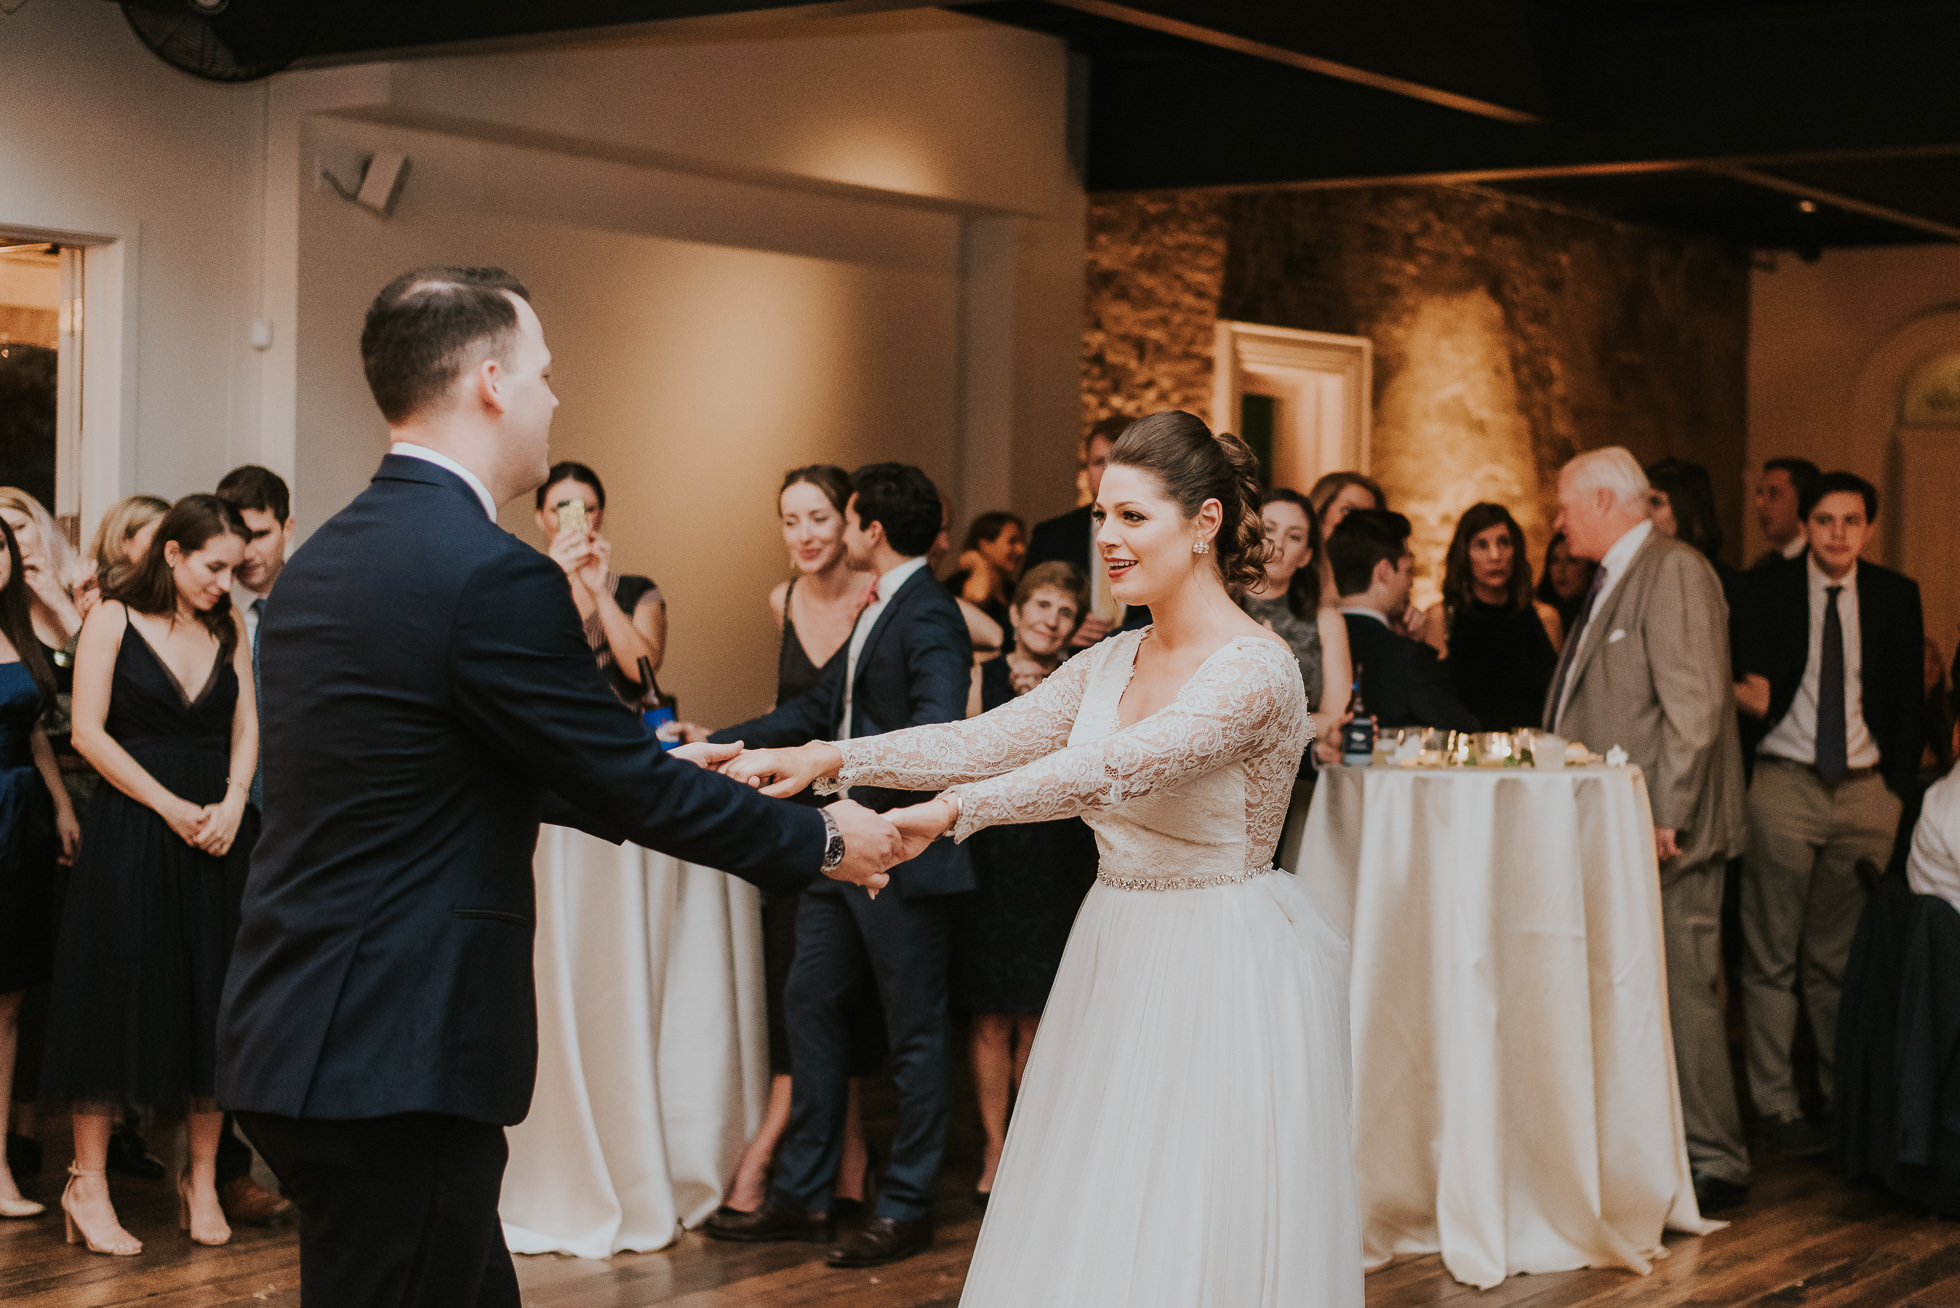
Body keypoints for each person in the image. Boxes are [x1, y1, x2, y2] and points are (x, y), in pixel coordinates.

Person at [215, 267, 902, 1308]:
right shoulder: (491, 573)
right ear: (490, 381)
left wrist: (678, 761)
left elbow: (460, 763)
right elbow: (621, 786)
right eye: (543, 372)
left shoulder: (321, 560)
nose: (552, 395)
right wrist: (821, 842)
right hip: (397, 1048)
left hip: (299, 1023)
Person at [724, 410, 1364, 1307]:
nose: (1106, 538)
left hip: (1220, 956)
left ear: (1206, 523)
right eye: (1102, 514)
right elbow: (983, 738)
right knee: (1102, 1185)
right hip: (1118, 938)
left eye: (1133, 517)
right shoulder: (1112, 658)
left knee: (1193, 1199)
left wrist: (950, 817)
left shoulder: (1256, 671)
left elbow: (1106, 770)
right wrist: (837, 759)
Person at [701, 462, 973, 1269]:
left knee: (914, 1032)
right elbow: (822, 712)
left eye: (846, 519)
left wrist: (857, 785)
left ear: (871, 530)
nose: (840, 534)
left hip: (897, 851)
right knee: (810, 1002)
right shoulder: (879, 606)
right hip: (837, 848)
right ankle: (805, 1192)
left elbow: (934, 736)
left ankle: (906, 1203)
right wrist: (729, 745)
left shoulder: (931, 614)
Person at [38, 495, 260, 1255]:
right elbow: (89, 734)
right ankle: (87, 1185)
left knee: (214, 999)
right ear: (173, 554)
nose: (224, 582)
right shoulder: (112, 620)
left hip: (217, 835)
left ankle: (200, 1180)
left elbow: (247, 727)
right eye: (213, 566)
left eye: (233, 568)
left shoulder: (228, 628)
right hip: (135, 826)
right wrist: (171, 805)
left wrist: (233, 802)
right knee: (112, 995)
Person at [1543, 446, 1750, 1214]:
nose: (1558, 524)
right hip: (1626, 826)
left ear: (1603, 501)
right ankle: (1665, 1147)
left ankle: (1716, 1158)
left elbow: (1696, 706)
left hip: (1668, 829)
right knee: (1647, 990)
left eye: (1566, 507)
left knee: (1686, 991)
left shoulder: (1676, 570)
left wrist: (1671, 812)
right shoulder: (1617, 575)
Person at [1731, 470, 1923, 1159]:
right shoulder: (1766, 590)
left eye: (1850, 520)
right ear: (1804, 527)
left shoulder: (1897, 597)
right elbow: (1745, 680)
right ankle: (1777, 1109)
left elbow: (1907, 698)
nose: (1837, 533)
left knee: (1838, 961)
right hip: (1784, 783)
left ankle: (1846, 1104)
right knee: (1770, 956)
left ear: (1868, 527)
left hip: (1868, 790)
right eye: (1823, 520)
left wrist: (1897, 786)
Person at [711, 465, 881, 1226]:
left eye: (818, 518)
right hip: (792, 813)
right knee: (803, 994)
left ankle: (849, 1164)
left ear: (849, 522)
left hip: (864, 809)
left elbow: (973, 626)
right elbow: (793, 709)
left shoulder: (880, 597)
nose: (806, 535)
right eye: (790, 521)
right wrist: (714, 743)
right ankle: (837, 1168)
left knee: (850, 995)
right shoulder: (780, 600)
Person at [955, 561, 1099, 1207]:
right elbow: (962, 752)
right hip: (991, 857)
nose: (1051, 619)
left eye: (1064, 613)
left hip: (1056, 858)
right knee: (989, 1015)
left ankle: (1032, 1144)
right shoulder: (978, 674)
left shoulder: (1086, 682)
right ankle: (994, 1145)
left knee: (1039, 1015)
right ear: (1015, 613)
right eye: (1041, 605)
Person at [208, 465, 299, 1229]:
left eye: (259, 535)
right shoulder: (206, 610)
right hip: (232, 821)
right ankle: (227, 1171)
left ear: (286, 529)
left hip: (304, 823)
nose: (244, 554)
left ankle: (307, 1163)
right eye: (233, 537)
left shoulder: (315, 604)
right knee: (231, 995)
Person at [0, 516, 80, 1220]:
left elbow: (34, 730)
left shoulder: (21, 634)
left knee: (11, 997)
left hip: (21, 818)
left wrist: (59, 803)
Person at [1329, 508, 1478, 732]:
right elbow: (1464, 727)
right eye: (1409, 571)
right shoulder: (1406, 657)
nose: (1411, 583)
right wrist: (1422, 645)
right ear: (1384, 572)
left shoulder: (1314, 640)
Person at [533, 461, 666, 701]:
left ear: (601, 516)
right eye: (559, 509)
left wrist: (600, 592)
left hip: (624, 732)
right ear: (540, 518)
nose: (573, 519)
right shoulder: (522, 589)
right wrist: (552, 576)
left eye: (587, 508)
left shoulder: (640, 591)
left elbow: (642, 673)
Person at [1422, 502, 1561, 731]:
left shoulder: (1546, 618)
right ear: (1464, 554)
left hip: (1530, 758)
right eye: (1481, 545)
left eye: (1504, 543)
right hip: (1466, 759)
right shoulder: (1442, 618)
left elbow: (1557, 704)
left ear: (1516, 549)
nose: (1495, 556)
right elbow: (1434, 704)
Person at [1238, 488, 1352, 760]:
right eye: (1269, 529)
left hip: (1297, 767)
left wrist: (1256, 730)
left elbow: (1336, 717)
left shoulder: (1325, 621)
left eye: (1294, 536)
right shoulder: (1215, 607)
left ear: (1306, 556)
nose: (1278, 544)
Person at [1026, 417, 1149, 648]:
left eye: (1117, 462)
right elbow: (1022, 612)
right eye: (1099, 462)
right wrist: (1061, 635)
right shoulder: (1052, 535)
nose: (1107, 473)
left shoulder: (1157, 531)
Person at [1308, 470, 1387, 611]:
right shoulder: (1293, 568)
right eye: (1348, 511)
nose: (1356, 524)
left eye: (1367, 517)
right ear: (1321, 510)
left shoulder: (1377, 580)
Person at [79, 493, 170, 614]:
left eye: (171, 537)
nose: (168, 546)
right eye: (157, 536)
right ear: (124, 540)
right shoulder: (97, 596)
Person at [947, 511, 1026, 634]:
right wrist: (978, 562)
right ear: (985, 545)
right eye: (1012, 541)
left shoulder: (1013, 590)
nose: (1021, 550)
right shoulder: (958, 584)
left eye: (1021, 542)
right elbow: (978, 598)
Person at [1751, 457, 1821, 569]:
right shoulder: (1763, 564)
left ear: (1803, 500)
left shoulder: (1822, 565)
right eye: (1760, 493)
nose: (1760, 503)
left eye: (1774, 493)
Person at [1536, 530, 1598, 637]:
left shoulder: (1597, 614)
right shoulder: (1538, 615)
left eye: (1571, 560)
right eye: (1555, 560)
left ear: (1589, 570)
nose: (1561, 569)